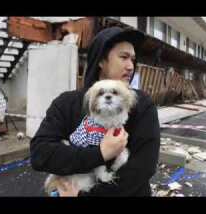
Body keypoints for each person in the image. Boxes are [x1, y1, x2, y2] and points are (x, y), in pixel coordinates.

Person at [30, 26, 160, 196]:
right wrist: (99, 154)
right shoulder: (67, 102)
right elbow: (40, 154)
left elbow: (143, 167)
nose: (130, 66)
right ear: (100, 61)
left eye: (133, 59)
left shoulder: (142, 104)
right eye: (124, 57)